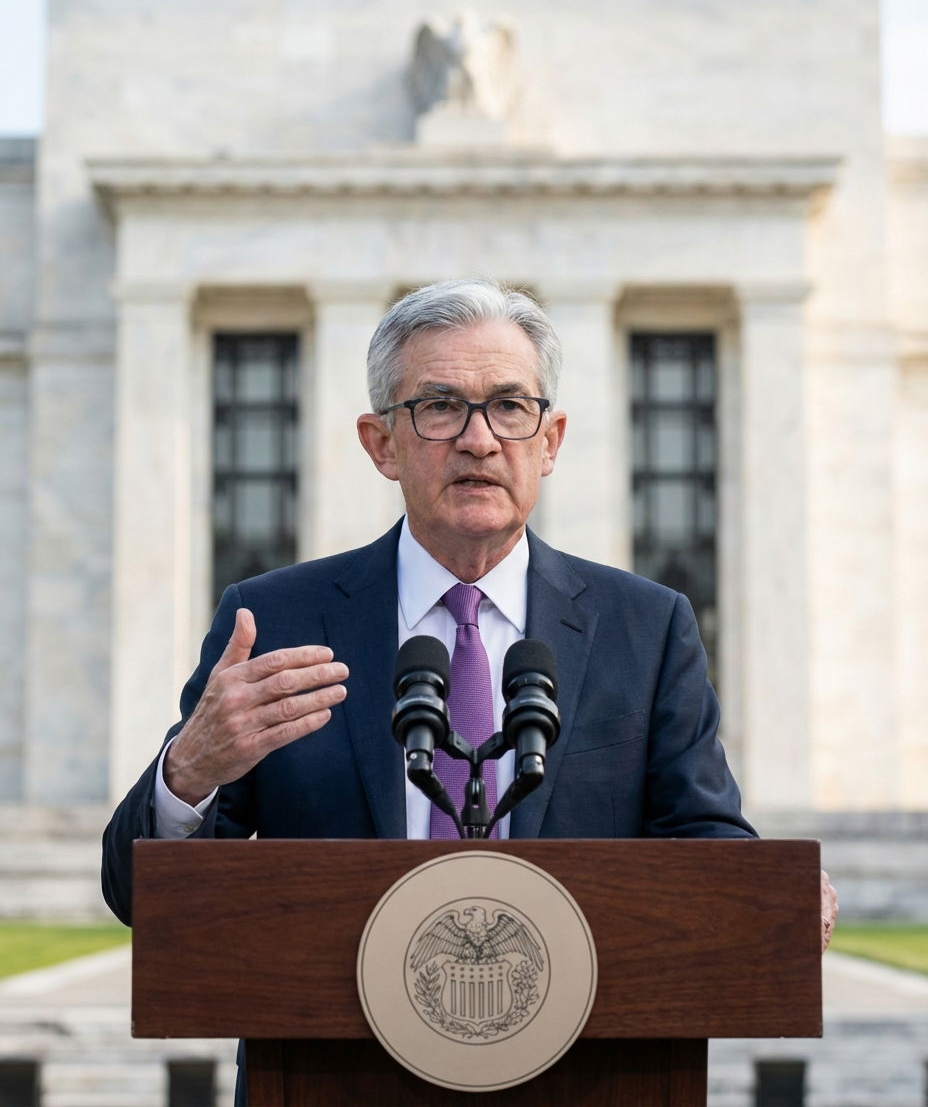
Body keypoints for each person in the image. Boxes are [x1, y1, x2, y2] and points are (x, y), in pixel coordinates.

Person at [102, 276, 837, 939]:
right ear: (382, 444)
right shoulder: (274, 624)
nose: (479, 440)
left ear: (549, 442)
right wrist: (188, 773)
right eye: (440, 408)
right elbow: (142, 897)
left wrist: (771, 891)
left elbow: (705, 843)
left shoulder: (646, 629)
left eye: (510, 407)